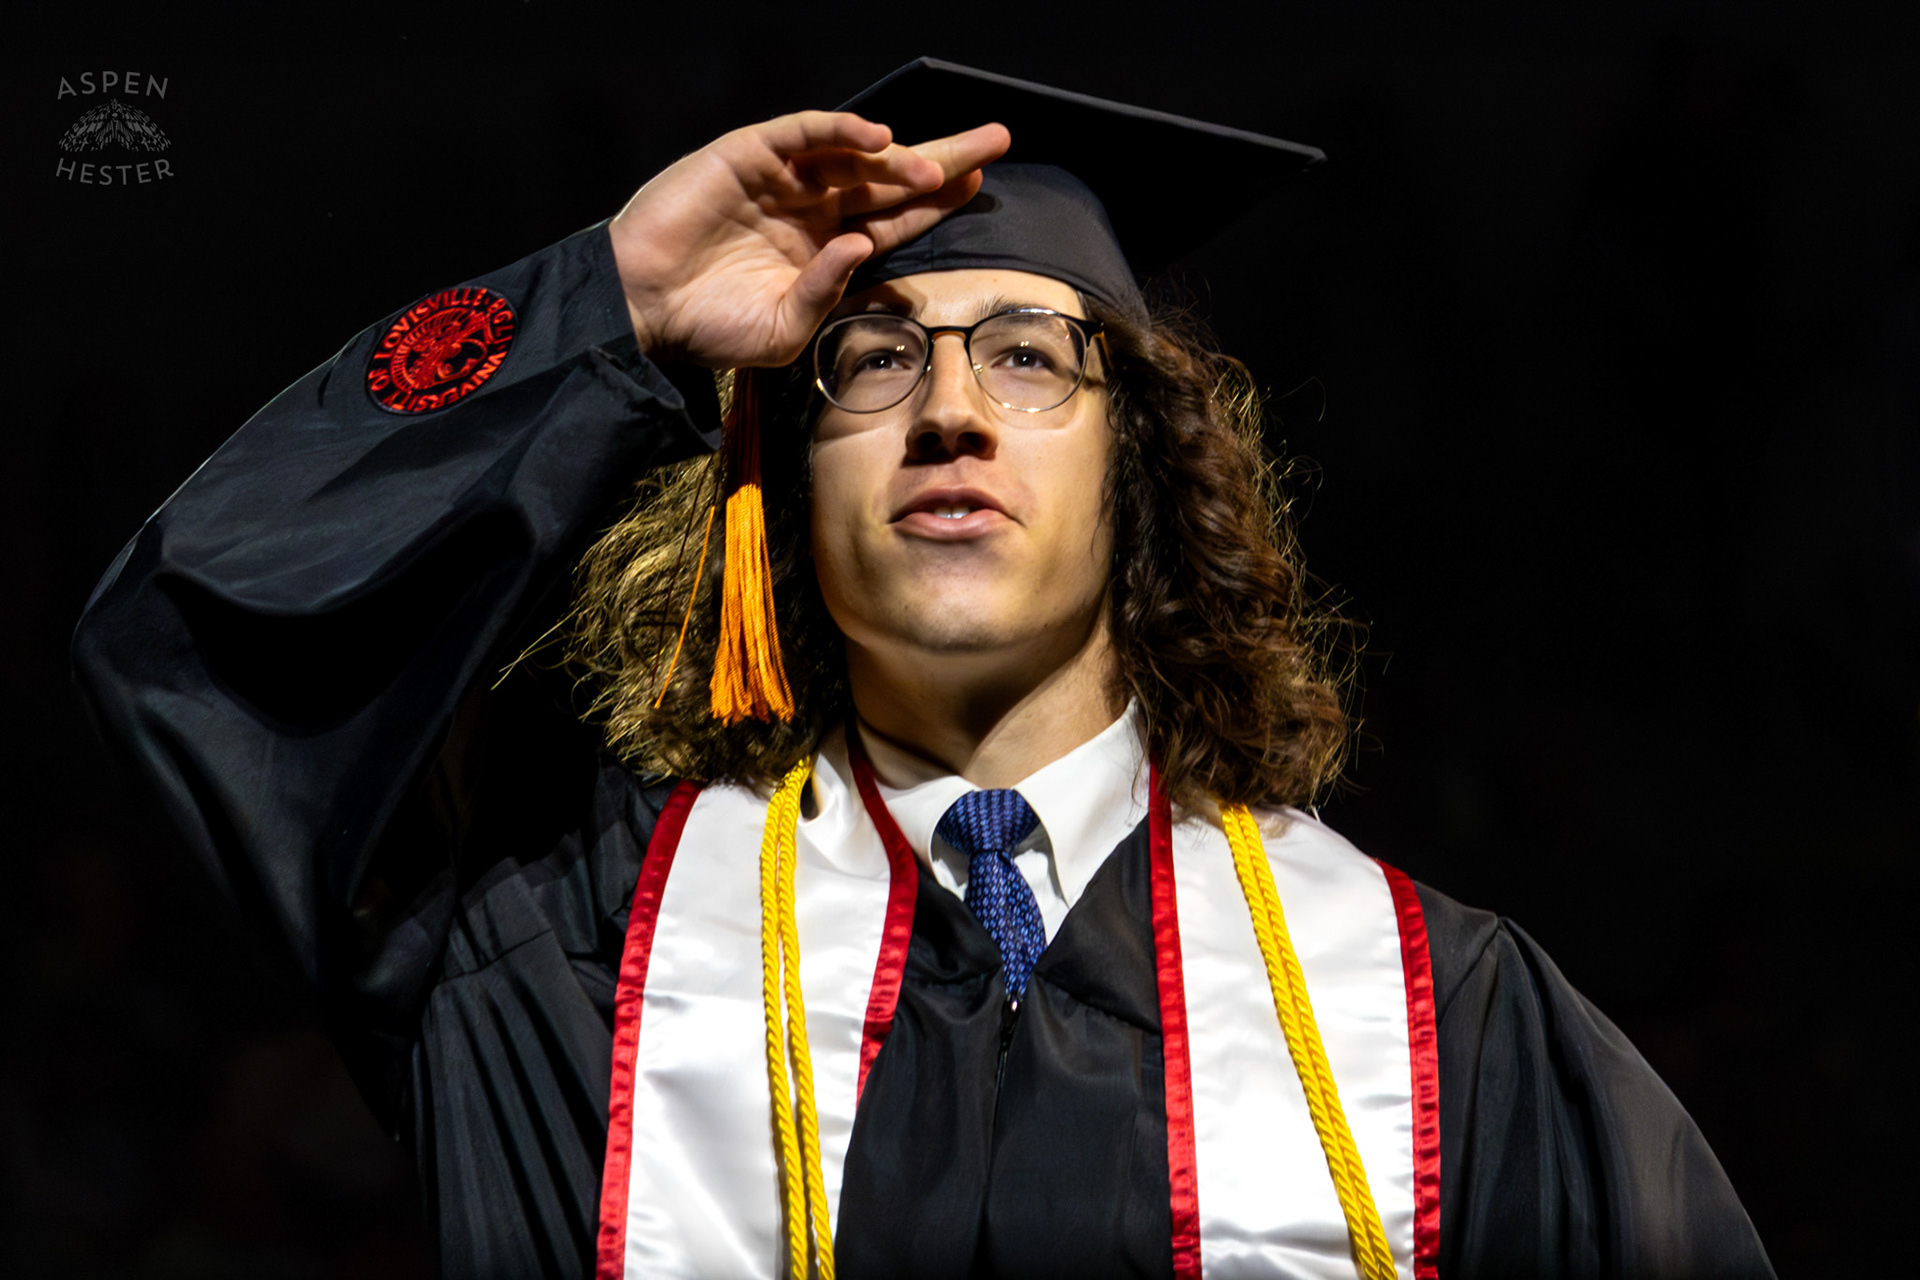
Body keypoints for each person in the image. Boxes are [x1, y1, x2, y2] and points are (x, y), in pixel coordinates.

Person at [73, 59, 1773, 1280]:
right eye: (873, 360)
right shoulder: (555, 962)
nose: (951, 408)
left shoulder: (1441, 1027)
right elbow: (204, 622)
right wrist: (618, 296)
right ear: (776, 493)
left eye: (1033, 356)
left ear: (1149, 474)